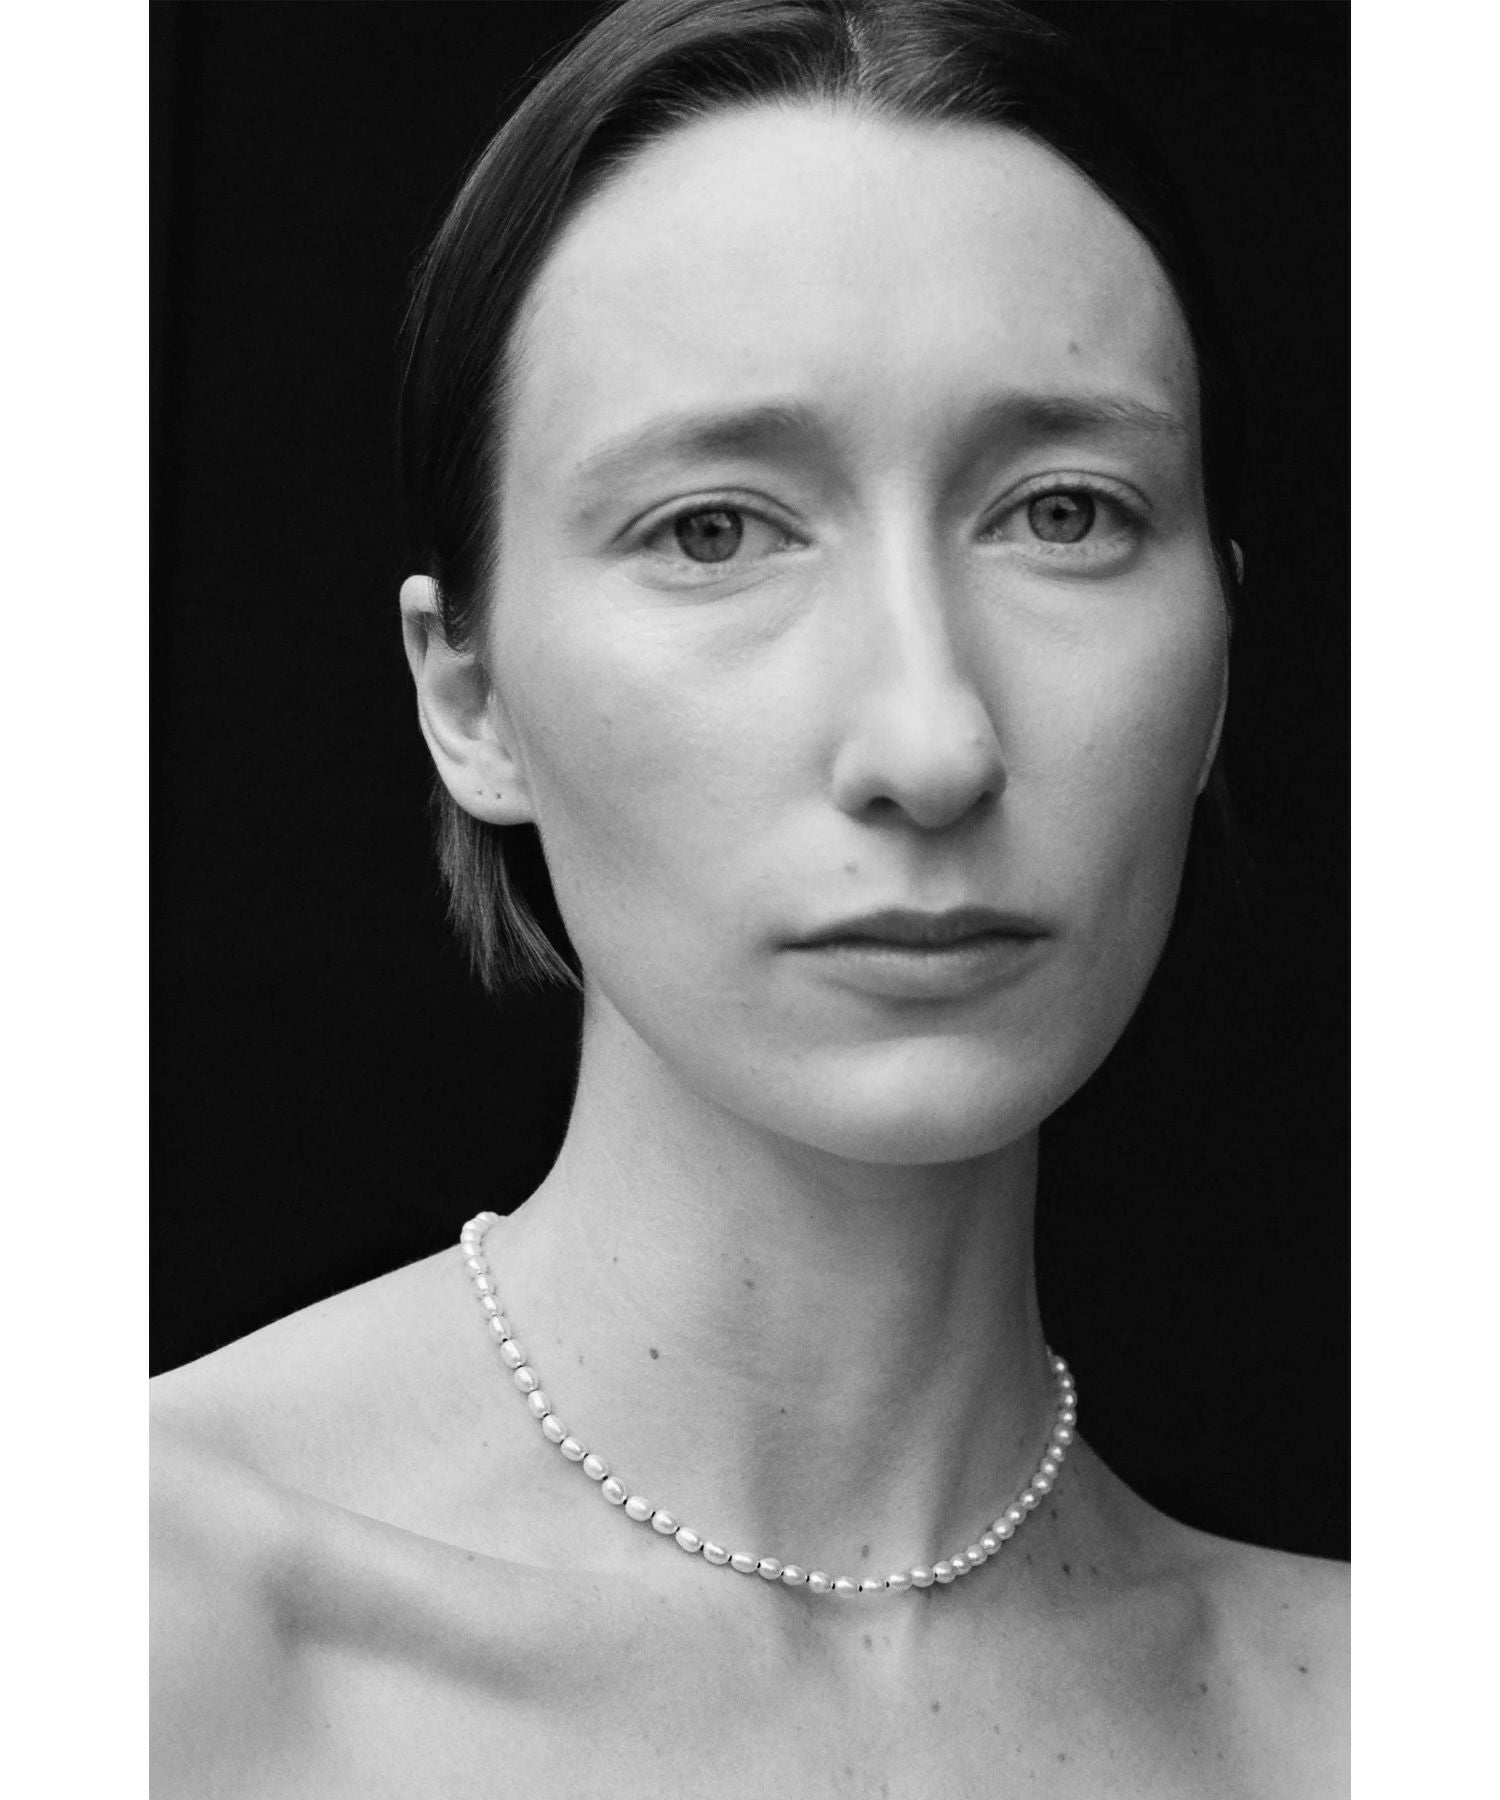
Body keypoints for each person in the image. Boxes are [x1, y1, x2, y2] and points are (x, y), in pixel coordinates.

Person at [151, 1, 1349, 1792]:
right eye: (714, 530)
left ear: (1222, 666)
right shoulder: (138, 1631)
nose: (931, 742)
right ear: (466, 696)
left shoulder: (1369, 1716)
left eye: (1066, 514)